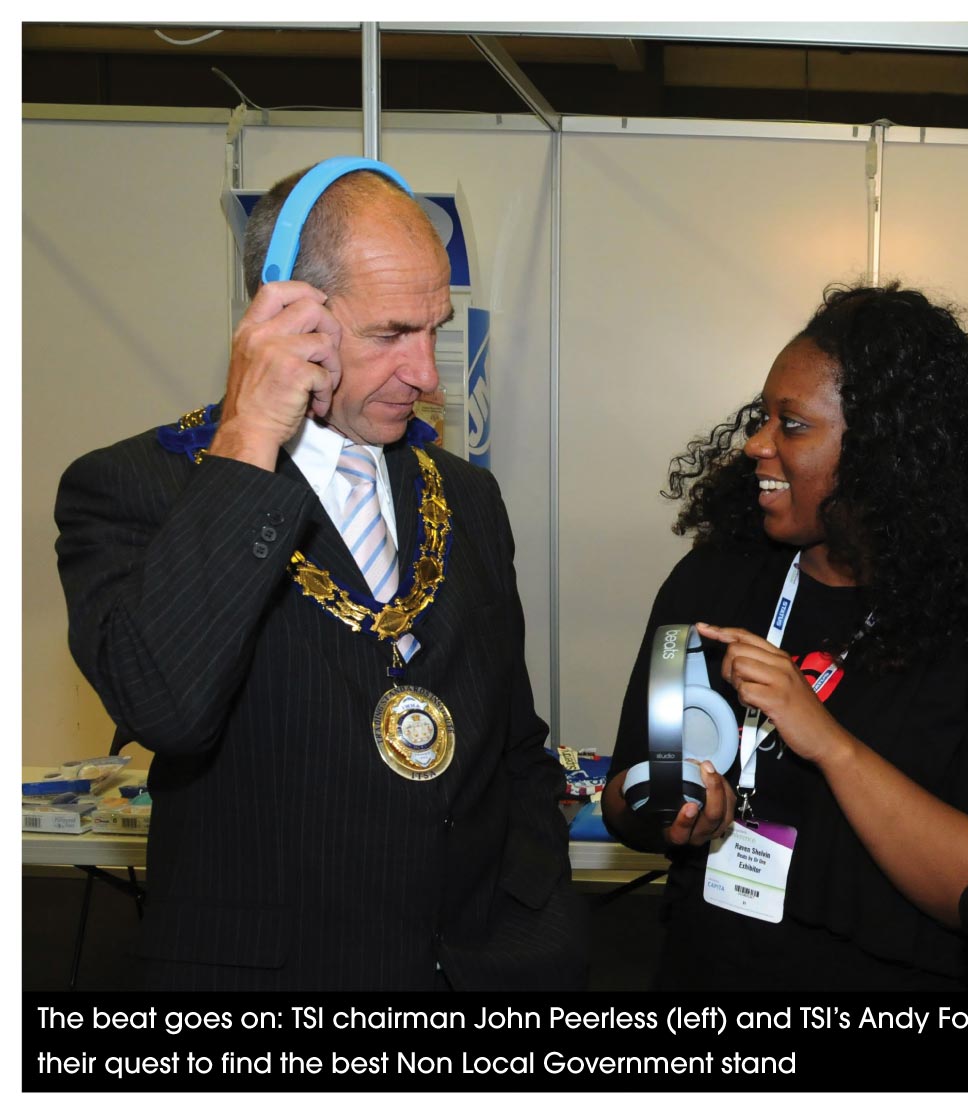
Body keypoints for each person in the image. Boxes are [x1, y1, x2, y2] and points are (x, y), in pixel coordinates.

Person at [54, 160, 585, 989]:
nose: (428, 375)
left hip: (479, 975)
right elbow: (164, 707)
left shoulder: (467, 496)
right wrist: (249, 436)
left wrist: (534, 909)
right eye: (390, 335)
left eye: (434, 330)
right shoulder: (135, 488)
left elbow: (511, 740)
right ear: (284, 317)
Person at [604, 284, 968, 990]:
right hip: (709, 969)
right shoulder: (717, 580)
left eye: (793, 426)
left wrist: (828, 742)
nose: (757, 444)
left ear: (888, 453)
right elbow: (625, 794)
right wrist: (668, 810)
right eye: (763, 418)